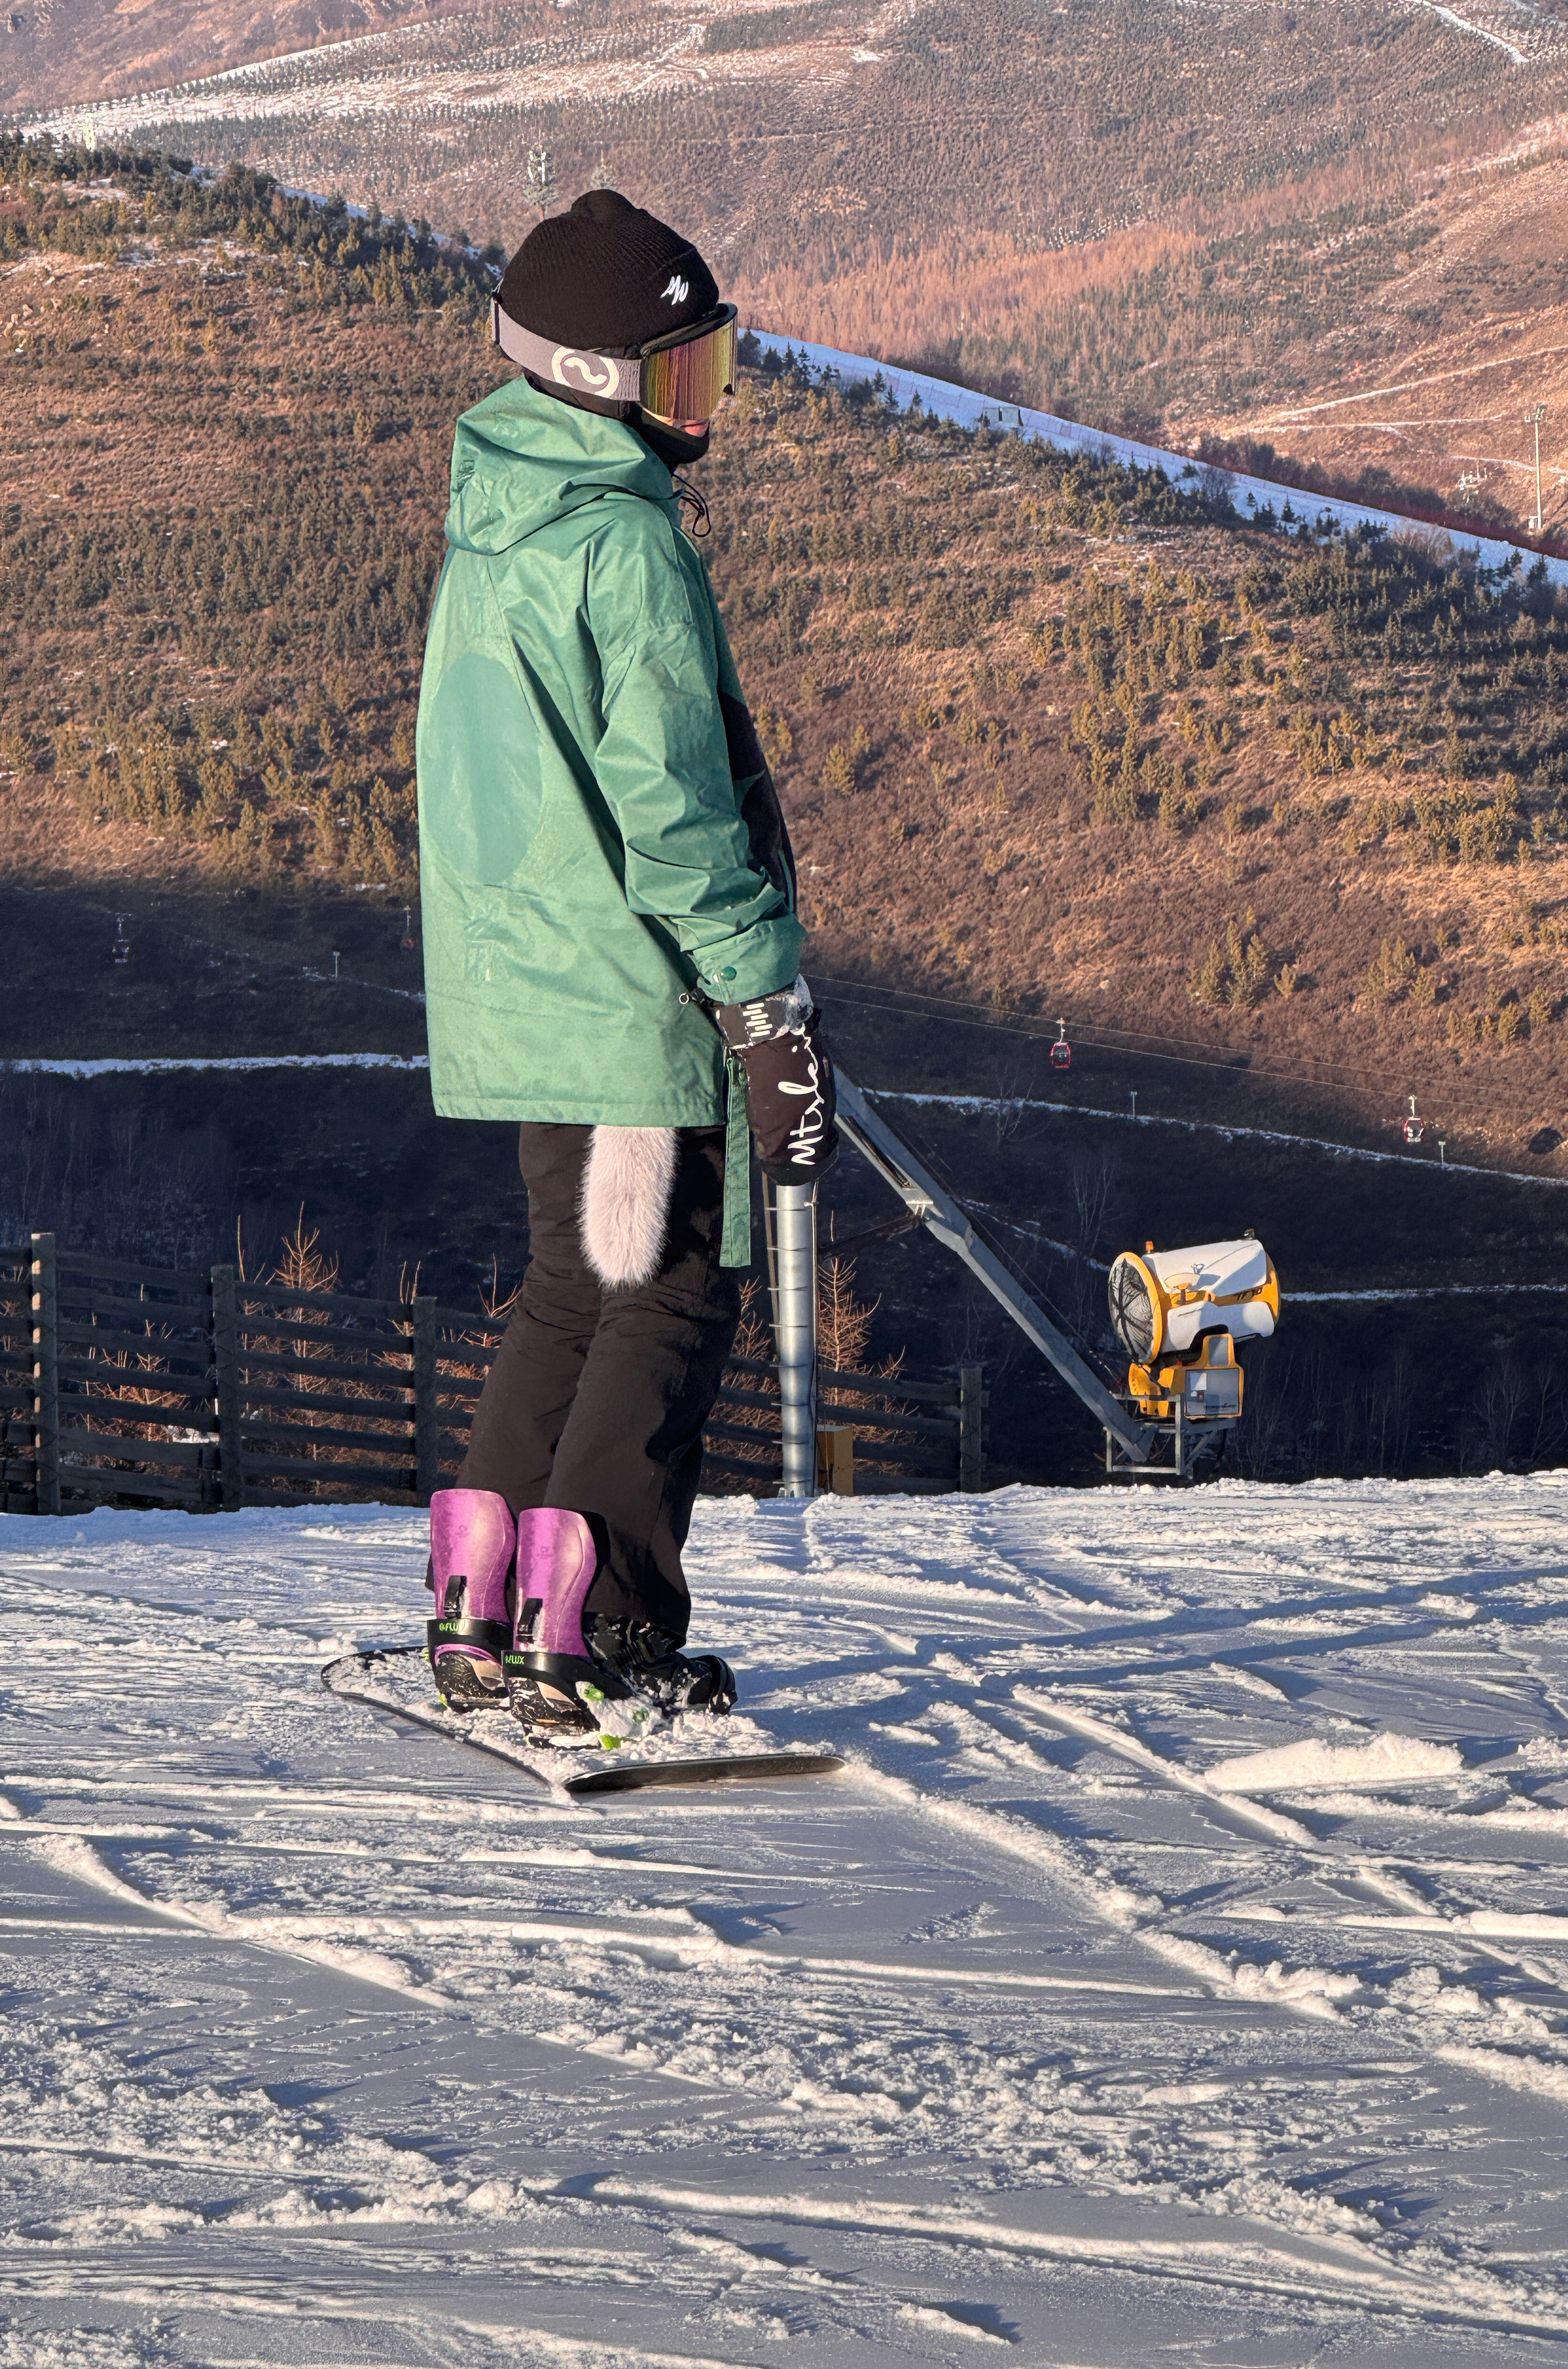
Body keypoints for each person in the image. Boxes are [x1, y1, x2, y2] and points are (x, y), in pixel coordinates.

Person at [412, 189, 837, 1739]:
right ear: (602, 380)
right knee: (661, 1304)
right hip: (633, 993)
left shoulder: (495, 524)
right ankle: (595, 1636)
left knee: (571, 1293)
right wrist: (760, 999)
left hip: (527, 988)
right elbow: (672, 814)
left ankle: (483, 1604)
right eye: (681, 374)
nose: (702, 407)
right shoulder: (621, 547)